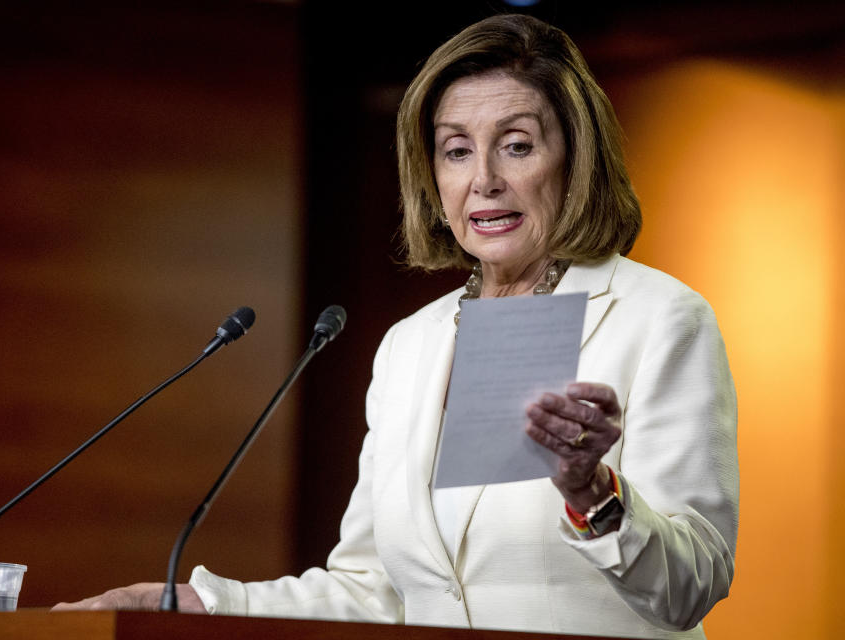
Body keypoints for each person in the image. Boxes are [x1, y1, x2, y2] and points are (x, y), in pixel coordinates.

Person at [54, 14, 737, 638]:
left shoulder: (661, 320)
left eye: (518, 146)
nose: (485, 180)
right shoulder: (412, 344)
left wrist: (595, 495)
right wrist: (196, 603)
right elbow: (374, 589)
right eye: (456, 151)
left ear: (575, 158)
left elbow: (693, 584)